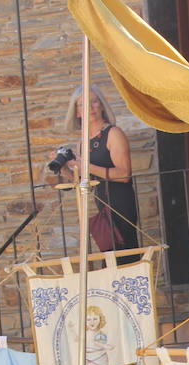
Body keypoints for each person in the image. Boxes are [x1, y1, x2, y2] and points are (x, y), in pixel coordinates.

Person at [59, 85, 138, 254]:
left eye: (94, 102)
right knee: (109, 259)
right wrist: (64, 168)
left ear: (101, 105)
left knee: (124, 255)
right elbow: (83, 182)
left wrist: (85, 165)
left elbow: (124, 174)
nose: (90, 107)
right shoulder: (83, 143)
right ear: (77, 112)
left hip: (121, 204)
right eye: (83, 104)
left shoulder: (113, 133)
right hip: (103, 207)